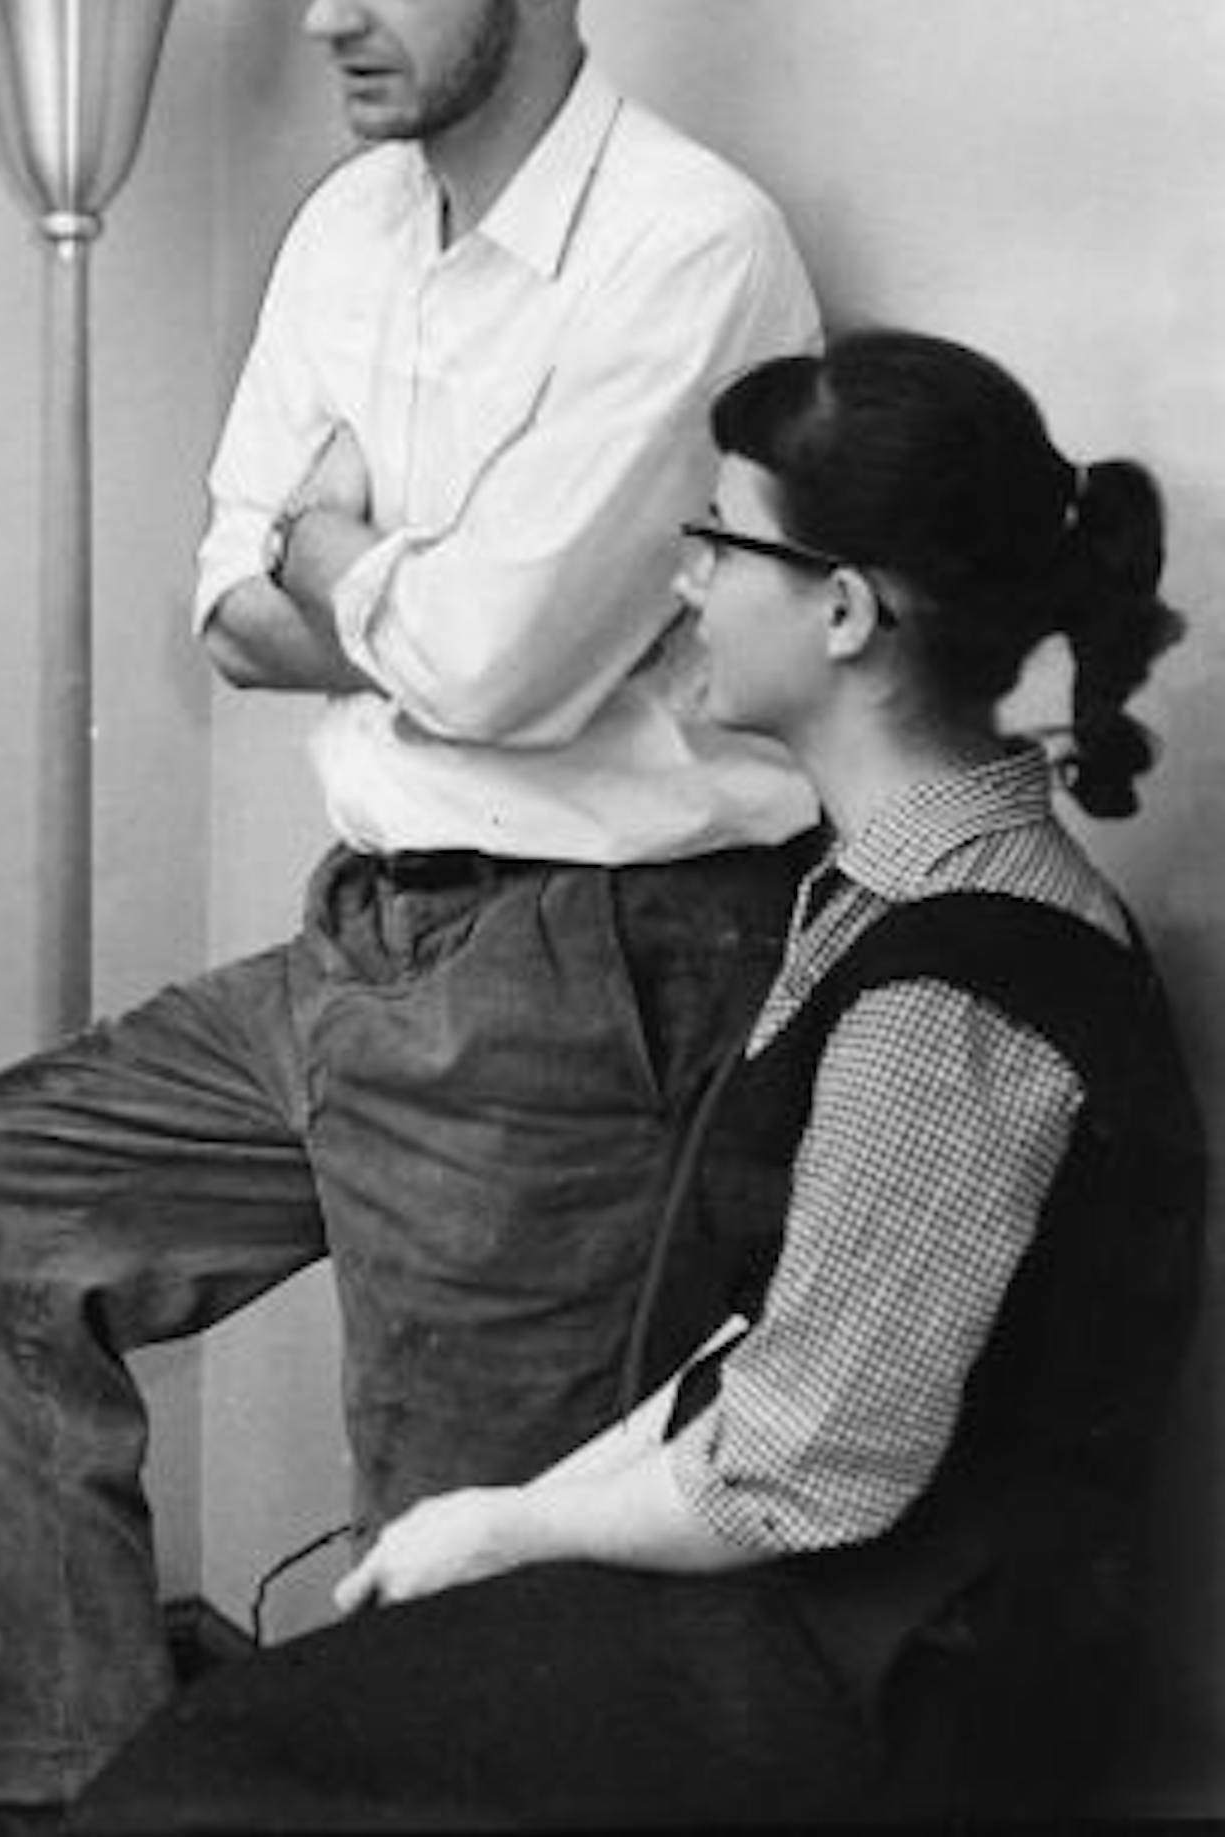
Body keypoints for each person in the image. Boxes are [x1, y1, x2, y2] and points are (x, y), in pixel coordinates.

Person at [0, 0, 825, 1823]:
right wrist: (375, 581)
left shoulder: (689, 246)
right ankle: (86, 1793)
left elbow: (488, 664)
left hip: (593, 978)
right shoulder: (345, 227)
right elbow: (227, 611)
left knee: (458, 1578)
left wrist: (346, 562)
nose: (323, 10)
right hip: (364, 949)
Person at [72, 328, 1202, 1831]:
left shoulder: (958, 983)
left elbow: (810, 1465)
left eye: (718, 543)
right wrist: (512, 1525)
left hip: (903, 1681)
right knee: (245, 1745)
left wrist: (508, 1526)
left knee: (211, 1789)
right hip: (811, 1602)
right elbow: (763, 1352)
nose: (683, 585)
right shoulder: (884, 886)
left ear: (846, 611)